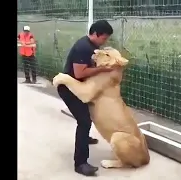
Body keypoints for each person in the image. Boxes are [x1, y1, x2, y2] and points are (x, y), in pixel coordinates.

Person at [57, 20, 114, 176]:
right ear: (95, 34)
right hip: (69, 88)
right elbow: (80, 73)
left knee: (86, 117)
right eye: (104, 38)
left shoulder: (93, 46)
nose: (105, 42)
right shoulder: (84, 47)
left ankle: (84, 137)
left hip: (80, 87)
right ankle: (80, 163)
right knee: (84, 121)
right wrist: (102, 69)